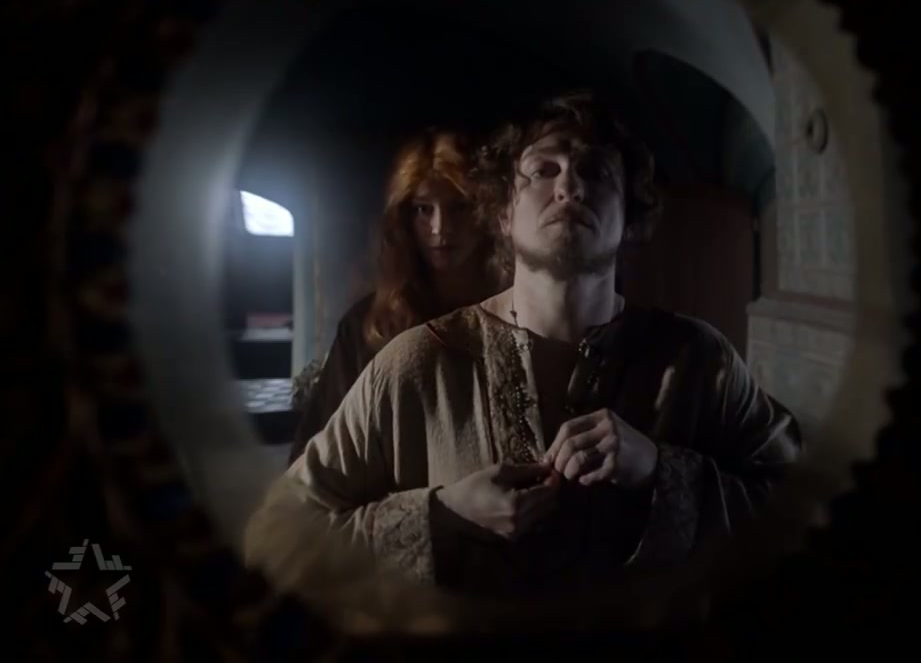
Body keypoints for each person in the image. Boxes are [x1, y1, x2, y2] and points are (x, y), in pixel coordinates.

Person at [246, 90, 801, 599]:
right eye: (543, 169)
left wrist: (661, 471)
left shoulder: (700, 361)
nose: (569, 187)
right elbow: (278, 537)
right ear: (504, 213)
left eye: (595, 172)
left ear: (629, 215)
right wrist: (441, 515)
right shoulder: (414, 365)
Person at [287, 129, 504, 464]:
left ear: (485, 212)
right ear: (403, 218)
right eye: (423, 210)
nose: (441, 228)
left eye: (459, 207)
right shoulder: (367, 326)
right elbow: (314, 455)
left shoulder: (514, 311)